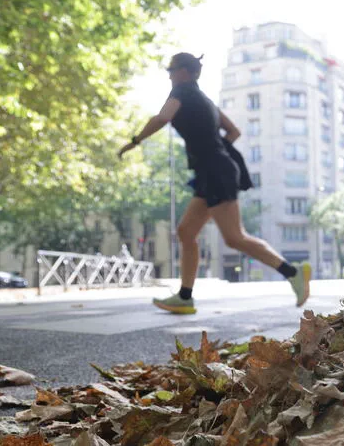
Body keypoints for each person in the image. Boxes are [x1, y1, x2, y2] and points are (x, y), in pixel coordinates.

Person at [118, 52, 310, 314]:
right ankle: (185, 296)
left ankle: (293, 272)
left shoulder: (182, 92)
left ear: (184, 72)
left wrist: (135, 141)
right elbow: (234, 132)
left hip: (216, 171)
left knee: (234, 238)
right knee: (186, 231)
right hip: (212, 171)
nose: (170, 76)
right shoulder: (205, 101)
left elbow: (162, 118)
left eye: (171, 70)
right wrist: (215, 149)